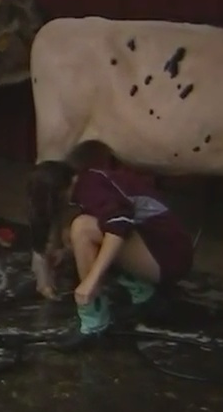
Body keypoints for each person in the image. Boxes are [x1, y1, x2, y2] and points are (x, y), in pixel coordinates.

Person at [49, 140, 194, 348]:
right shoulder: (89, 181)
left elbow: (119, 225)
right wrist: (67, 252)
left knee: (82, 228)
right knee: (77, 234)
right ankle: (145, 295)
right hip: (162, 249)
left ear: (60, 191)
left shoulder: (90, 187)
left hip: (170, 256)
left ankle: (93, 321)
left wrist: (90, 281)